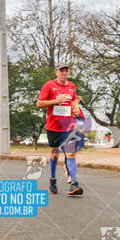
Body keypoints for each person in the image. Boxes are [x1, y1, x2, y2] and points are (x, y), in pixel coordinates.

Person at [36, 63, 84, 196]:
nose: (64, 73)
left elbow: (74, 100)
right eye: (62, 71)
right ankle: (52, 179)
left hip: (68, 125)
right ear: (56, 72)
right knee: (55, 154)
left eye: (66, 71)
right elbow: (39, 103)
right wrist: (56, 101)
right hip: (54, 126)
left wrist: (76, 109)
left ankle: (74, 184)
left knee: (71, 153)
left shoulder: (71, 86)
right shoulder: (49, 86)